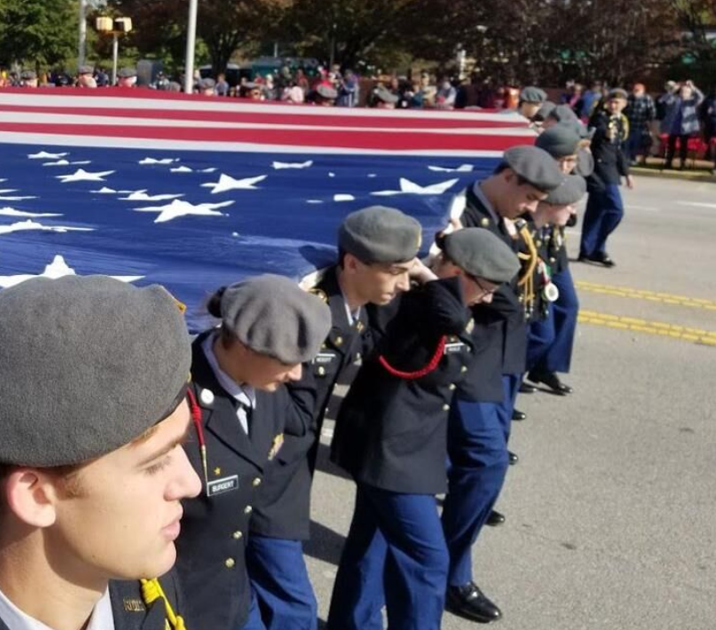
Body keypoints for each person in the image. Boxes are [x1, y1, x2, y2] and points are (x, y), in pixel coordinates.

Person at [0, 275, 197, 630]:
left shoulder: (143, 582)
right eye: (154, 463)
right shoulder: (132, 561)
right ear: (36, 495)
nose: (191, 483)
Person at [328, 227, 519, 630]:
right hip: (389, 449)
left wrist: (452, 277)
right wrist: (430, 277)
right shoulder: (405, 297)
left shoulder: (457, 298)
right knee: (427, 561)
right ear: (455, 272)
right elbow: (453, 316)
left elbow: (508, 307)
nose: (489, 298)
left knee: (372, 544)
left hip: (414, 447)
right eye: (484, 288)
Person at [250, 207, 423, 630]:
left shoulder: (365, 305)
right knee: (294, 610)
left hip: (295, 469)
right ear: (353, 263)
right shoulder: (310, 314)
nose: (405, 284)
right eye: (396, 272)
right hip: (268, 474)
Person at [442, 146, 563, 624]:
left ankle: (446, 550)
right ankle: (451, 572)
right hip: (471, 361)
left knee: (484, 469)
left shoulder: (510, 219)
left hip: (506, 358)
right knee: (485, 463)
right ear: (508, 177)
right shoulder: (462, 215)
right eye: (529, 196)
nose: (532, 207)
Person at [175, 275, 332, 630]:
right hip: (185, 601)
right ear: (246, 345)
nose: (297, 374)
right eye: (288, 359)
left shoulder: (267, 387)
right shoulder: (177, 395)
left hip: (236, 593)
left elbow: (296, 424)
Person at [524, 175, 586, 397]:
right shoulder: (538, 175)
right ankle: (515, 372)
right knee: (541, 330)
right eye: (564, 161)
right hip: (539, 252)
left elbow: (569, 218)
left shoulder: (565, 182)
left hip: (554, 253)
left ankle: (545, 366)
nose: (568, 166)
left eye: (571, 161)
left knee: (569, 307)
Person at [579, 89, 632, 267]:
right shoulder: (600, 117)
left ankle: (588, 250)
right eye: (611, 102)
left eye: (617, 102)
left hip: (611, 169)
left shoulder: (620, 121)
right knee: (616, 209)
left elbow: (618, 149)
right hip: (599, 170)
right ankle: (595, 247)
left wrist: (627, 173)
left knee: (596, 211)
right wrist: (604, 133)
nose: (613, 105)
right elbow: (595, 132)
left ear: (624, 104)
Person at [660, 81, 705, 170]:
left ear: (690, 93)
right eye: (682, 91)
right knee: (671, 145)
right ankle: (668, 162)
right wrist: (673, 90)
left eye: (686, 92)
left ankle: (682, 163)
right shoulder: (675, 99)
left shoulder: (692, 101)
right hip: (673, 127)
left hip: (685, 128)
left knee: (683, 146)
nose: (684, 93)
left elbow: (701, 97)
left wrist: (693, 87)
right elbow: (662, 100)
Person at [625, 83, 655, 165]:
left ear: (642, 91)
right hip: (628, 125)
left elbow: (652, 112)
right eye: (634, 90)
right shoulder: (629, 98)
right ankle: (626, 159)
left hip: (640, 126)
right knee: (627, 143)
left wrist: (649, 122)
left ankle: (633, 158)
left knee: (636, 143)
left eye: (637, 90)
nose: (635, 92)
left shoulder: (647, 99)